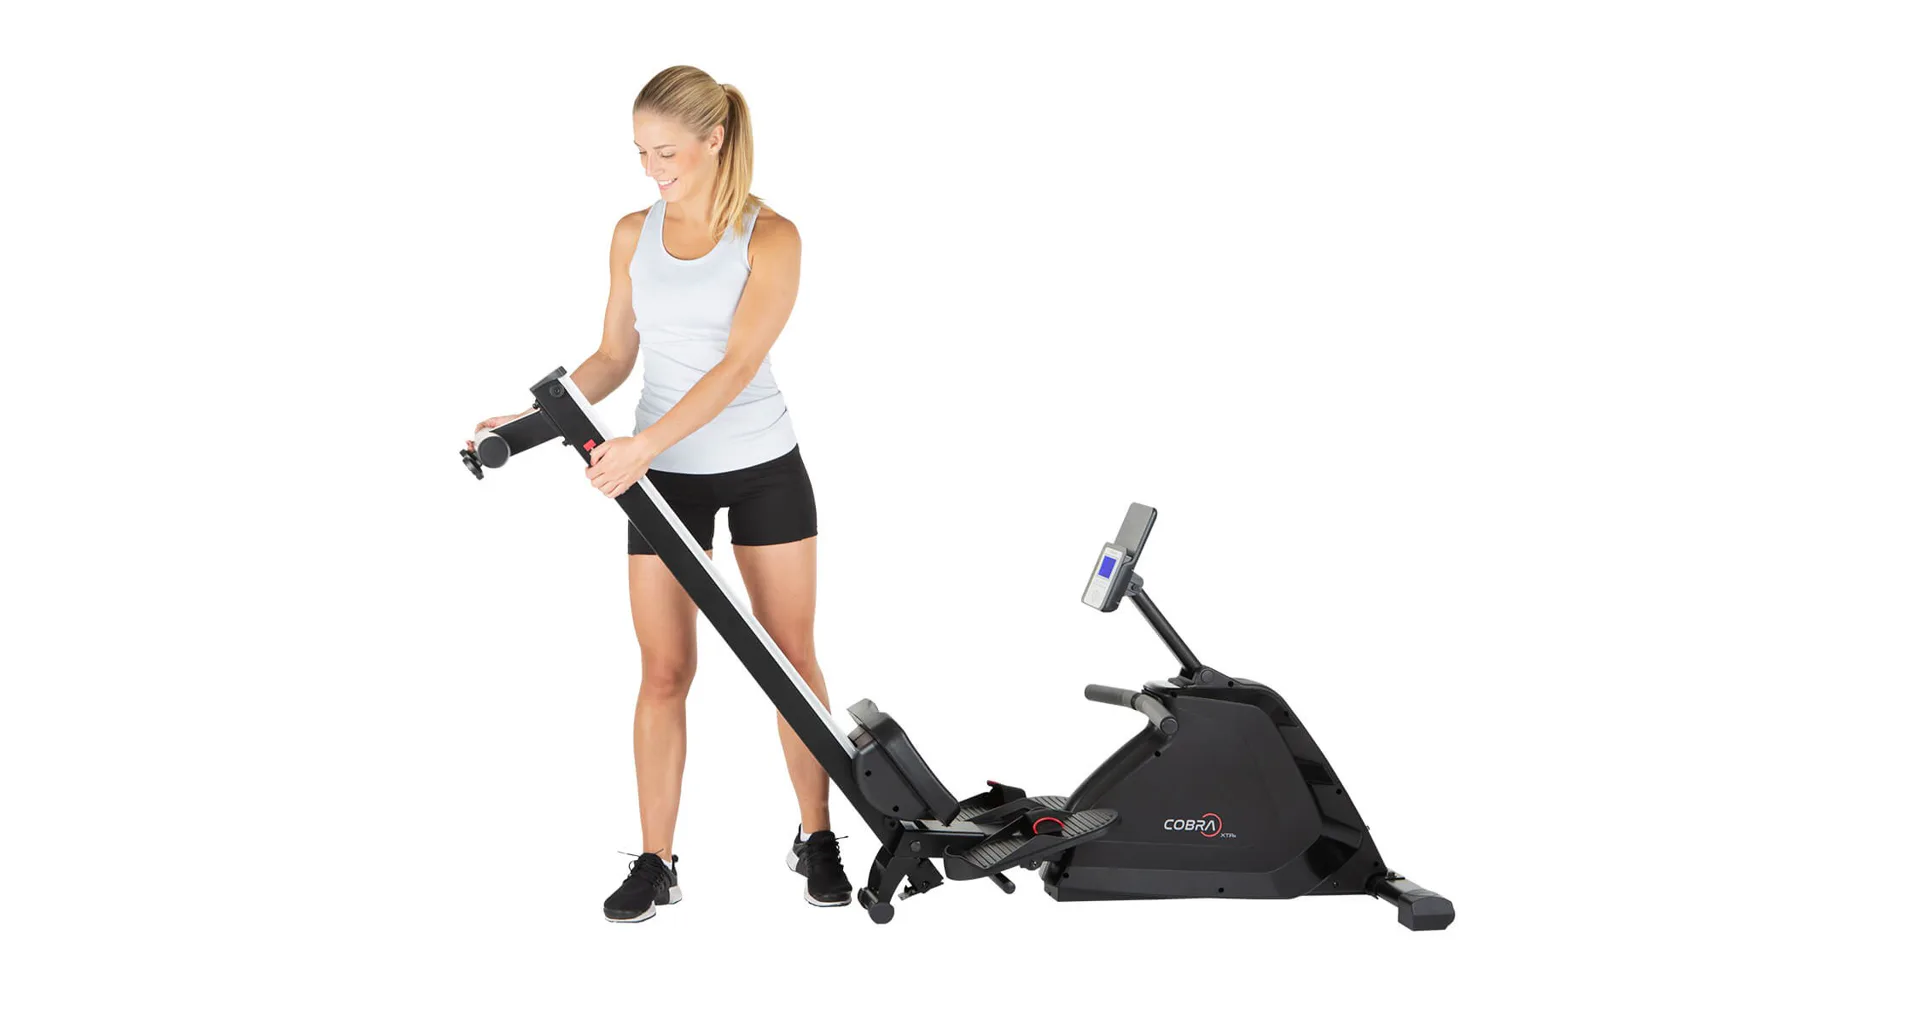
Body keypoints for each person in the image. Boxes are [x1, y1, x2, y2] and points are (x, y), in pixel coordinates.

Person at [468, 65, 850, 923]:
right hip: (664, 478)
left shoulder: (771, 236)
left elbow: (738, 364)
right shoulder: (630, 233)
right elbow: (613, 357)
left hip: (761, 463)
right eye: (641, 152)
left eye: (667, 152)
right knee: (666, 671)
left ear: (715, 140)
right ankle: (656, 860)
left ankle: (818, 835)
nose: (652, 169)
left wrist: (641, 445)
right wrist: (528, 422)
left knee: (791, 662)